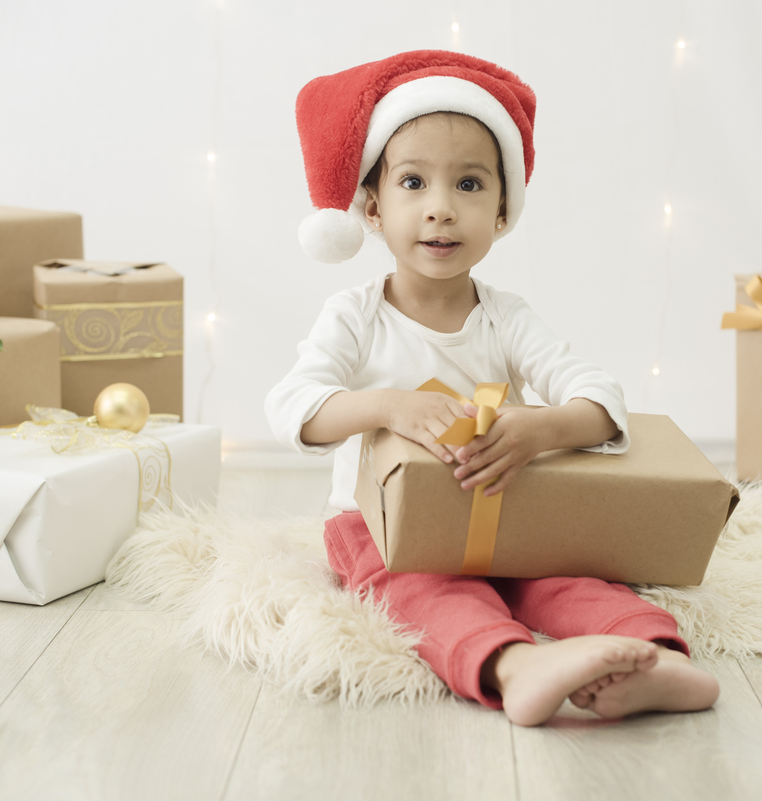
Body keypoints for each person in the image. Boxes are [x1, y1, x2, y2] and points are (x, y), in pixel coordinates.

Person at [266, 50, 719, 727]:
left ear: (503, 212)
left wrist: (542, 427)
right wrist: (389, 406)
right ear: (370, 207)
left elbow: (599, 393)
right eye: (413, 182)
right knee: (426, 592)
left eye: (470, 186)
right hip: (380, 527)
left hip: (497, 510)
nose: (441, 210)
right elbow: (291, 406)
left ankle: (655, 655)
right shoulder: (355, 316)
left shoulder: (505, 317)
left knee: (565, 576)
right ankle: (517, 666)